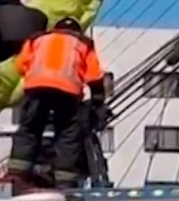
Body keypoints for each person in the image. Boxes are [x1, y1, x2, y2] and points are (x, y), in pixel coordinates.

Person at [7, 16, 106, 188]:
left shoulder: (37, 39)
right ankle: (65, 180)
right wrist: (98, 101)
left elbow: (20, 65)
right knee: (67, 135)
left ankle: (17, 174)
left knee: (30, 128)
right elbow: (94, 76)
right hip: (67, 92)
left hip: (36, 88)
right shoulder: (83, 43)